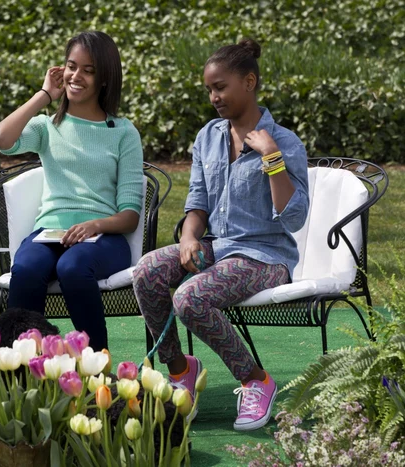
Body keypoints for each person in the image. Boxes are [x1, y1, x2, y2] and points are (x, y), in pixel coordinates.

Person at [132, 38, 309, 431]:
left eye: (221, 87)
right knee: (146, 271)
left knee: (190, 297)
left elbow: (294, 217)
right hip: (219, 248)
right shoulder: (208, 137)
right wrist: (189, 238)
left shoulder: (284, 142)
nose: (214, 96)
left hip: (266, 257)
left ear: (249, 82)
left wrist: (271, 157)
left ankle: (255, 380)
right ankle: (180, 371)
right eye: (209, 89)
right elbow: (197, 203)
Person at [0, 31, 144, 352]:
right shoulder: (47, 127)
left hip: (103, 240)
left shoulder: (123, 132)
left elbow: (129, 216)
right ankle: (20, 369)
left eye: (88, 70)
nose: (76, 76)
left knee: (72, 267)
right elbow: (1, 138)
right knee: (27, 267)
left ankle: (96, 366)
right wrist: (44, 95)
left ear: (104, 79)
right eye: (71, 66)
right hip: (50, 234)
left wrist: (94, 225)